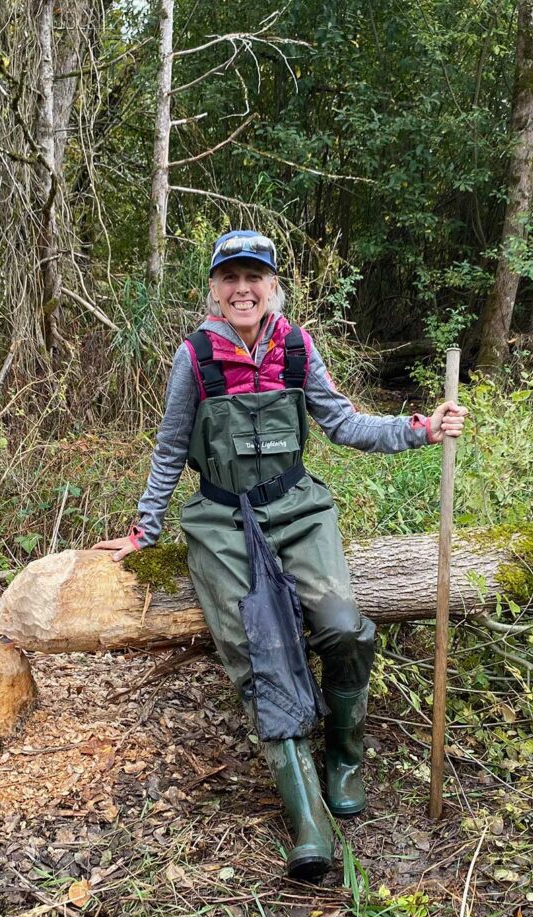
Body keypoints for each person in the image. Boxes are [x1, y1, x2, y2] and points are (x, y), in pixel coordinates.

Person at [94, 230, 468, 880]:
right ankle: (309, 822)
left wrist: (420, 429)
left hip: (297, 507)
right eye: (230, 277)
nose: (243, 288)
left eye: (255, 276)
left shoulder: (295, 346)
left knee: (345, 626)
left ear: (272, 285)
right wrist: (142, 532)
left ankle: (343, 759)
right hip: (221, 519)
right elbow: (168, 447)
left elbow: (344, 423)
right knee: (259, 652)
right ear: (214, 289)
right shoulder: (195, 357)